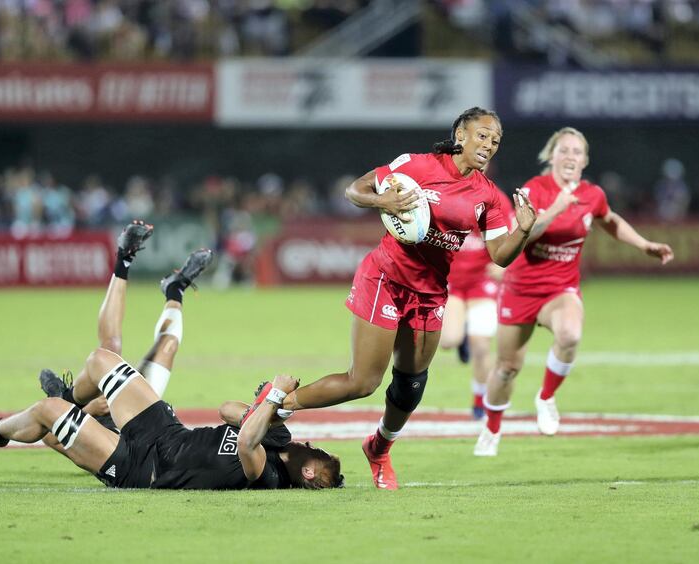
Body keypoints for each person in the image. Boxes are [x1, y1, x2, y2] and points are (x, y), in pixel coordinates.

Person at [0, 222, 342, 490]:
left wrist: (272, 400)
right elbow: (228, 410)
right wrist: (268, 409)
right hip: (164, 431)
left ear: (309, 472)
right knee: (103, 358)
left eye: (319, 452)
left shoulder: (269, 476)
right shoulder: (281, 435)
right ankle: (73, 400)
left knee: (49, 417)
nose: (314, 443)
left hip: (142, 466)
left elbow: (246, 445)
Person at [270, 107, 538, 490]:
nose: (488, 146)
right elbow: (355, 190)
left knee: (411, 384)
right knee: (363, 382)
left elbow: (500, 255)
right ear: (459, 134)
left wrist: (523, 231)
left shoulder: (489, 196)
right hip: (385, 278)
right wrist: (385, 203)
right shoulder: (416, 165)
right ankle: (279, 405)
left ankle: (379, 449)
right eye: (481, 136)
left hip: (430, 292)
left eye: (495, 141)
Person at [474, 127, 674, 457]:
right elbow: (524, 234)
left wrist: (644, 245)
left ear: (585, 160)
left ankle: (546, 397)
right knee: (507, 367)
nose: (570, 156)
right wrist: (555, 208)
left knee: (570, 335)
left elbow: (609, 220)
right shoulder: (533, 189)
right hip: (521, 289)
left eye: (577, 152)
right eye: (563, 150)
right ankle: (492, 429)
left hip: (560, 288)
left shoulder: (591, 194)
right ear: (551, 156)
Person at [439, 188, 513, 420]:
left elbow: (514, 236)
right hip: (451, 278)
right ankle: (461, 337)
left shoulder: (497, 198)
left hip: (483, 279)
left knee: (481, 345)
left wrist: (505, 265)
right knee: (447, 341)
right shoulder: (444, 192)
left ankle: (480, 399)